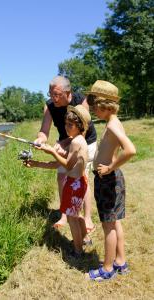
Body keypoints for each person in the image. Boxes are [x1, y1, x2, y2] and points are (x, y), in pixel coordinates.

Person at [85, 80, 136, 281]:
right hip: (109, 180)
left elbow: (131, 150)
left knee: (108, 226)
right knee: (114, 224)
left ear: (103, 104)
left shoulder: (113, 125)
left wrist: (110, 167)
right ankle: (120, 262)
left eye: (93, 103)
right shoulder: (112, 123)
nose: (93, 108)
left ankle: (107, 269)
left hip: (108, 180)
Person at [25, 105, 92, 257]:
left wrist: (53, 151)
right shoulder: (78, 139)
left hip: (74, 184)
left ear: (79, 125)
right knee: (76, 214)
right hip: (79, 182)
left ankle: (78, 251)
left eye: (70, 125)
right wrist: (36, 163)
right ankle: (85, 239)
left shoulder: (76, 143)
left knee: (71, 218)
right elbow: (60, 164)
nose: (66, 128)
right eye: (65, 124)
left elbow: (67, 165)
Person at [34, 76, 96, 232]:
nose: (52, 98)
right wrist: (40, 139)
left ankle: (87, 217)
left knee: (83, 176)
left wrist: (64, 144)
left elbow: (84, 129)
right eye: (50, 94)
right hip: (64, 141)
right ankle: (64, 214)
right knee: (62, 176)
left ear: (68, 92)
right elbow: (44, 130)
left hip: (85, 141)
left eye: (56, 94)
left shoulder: (80, 100)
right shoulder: (49, 106)